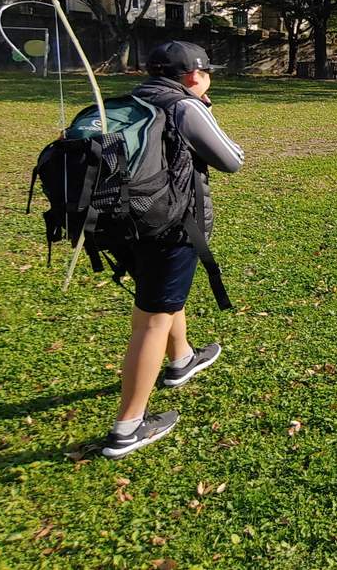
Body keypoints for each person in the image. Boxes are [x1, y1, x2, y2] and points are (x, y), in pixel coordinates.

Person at [102, 41, 245, 458]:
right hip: (172, 225)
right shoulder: (186, 107)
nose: (207, 78)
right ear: (193, 75)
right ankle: (128, 427)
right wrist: (205, 108)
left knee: (160, 296)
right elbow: (232, 159)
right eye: (205, 73)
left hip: (128, 222)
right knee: (152, 319)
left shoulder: (134, 101)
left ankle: (181, 359)